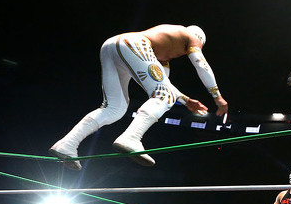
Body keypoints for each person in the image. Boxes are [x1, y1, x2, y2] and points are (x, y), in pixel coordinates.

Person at [50, 24, 228, 169]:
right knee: (163, 96)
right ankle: (131, 137)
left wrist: (186, 100)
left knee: (114, 108)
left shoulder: (163, 53)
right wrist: (217, 97)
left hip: (113, 46)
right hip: (133, 44)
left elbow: (165, 84)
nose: (182, 55)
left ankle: (67, 144)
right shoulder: (191, 36)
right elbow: (201, 65)